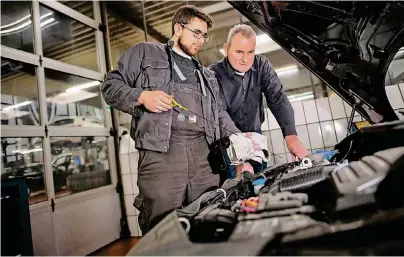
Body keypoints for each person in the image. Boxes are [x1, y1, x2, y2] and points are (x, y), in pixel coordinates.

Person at [101, 6, 251, 234]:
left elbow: (219, 114)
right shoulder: (145, 54)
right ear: (178, 28)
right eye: (196, 32)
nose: (201, 40)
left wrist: (240, 141)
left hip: (204, 158)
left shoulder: (207, 75)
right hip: (161, 156)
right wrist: (141, 96)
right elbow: (110, 86)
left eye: (204, 35)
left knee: (208, 220)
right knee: (161, 229)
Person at [210, 24, 308, 177]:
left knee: (261, 186)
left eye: (250, 52)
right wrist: (239, 158)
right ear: (226, 48)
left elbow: (278, 98)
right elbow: (219, 113)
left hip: (255, 140)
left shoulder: (262, 65)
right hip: (228, 143)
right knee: (235, 192)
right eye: (239, 52)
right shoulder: (213, 74)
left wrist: (291, 136)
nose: (245, 59)